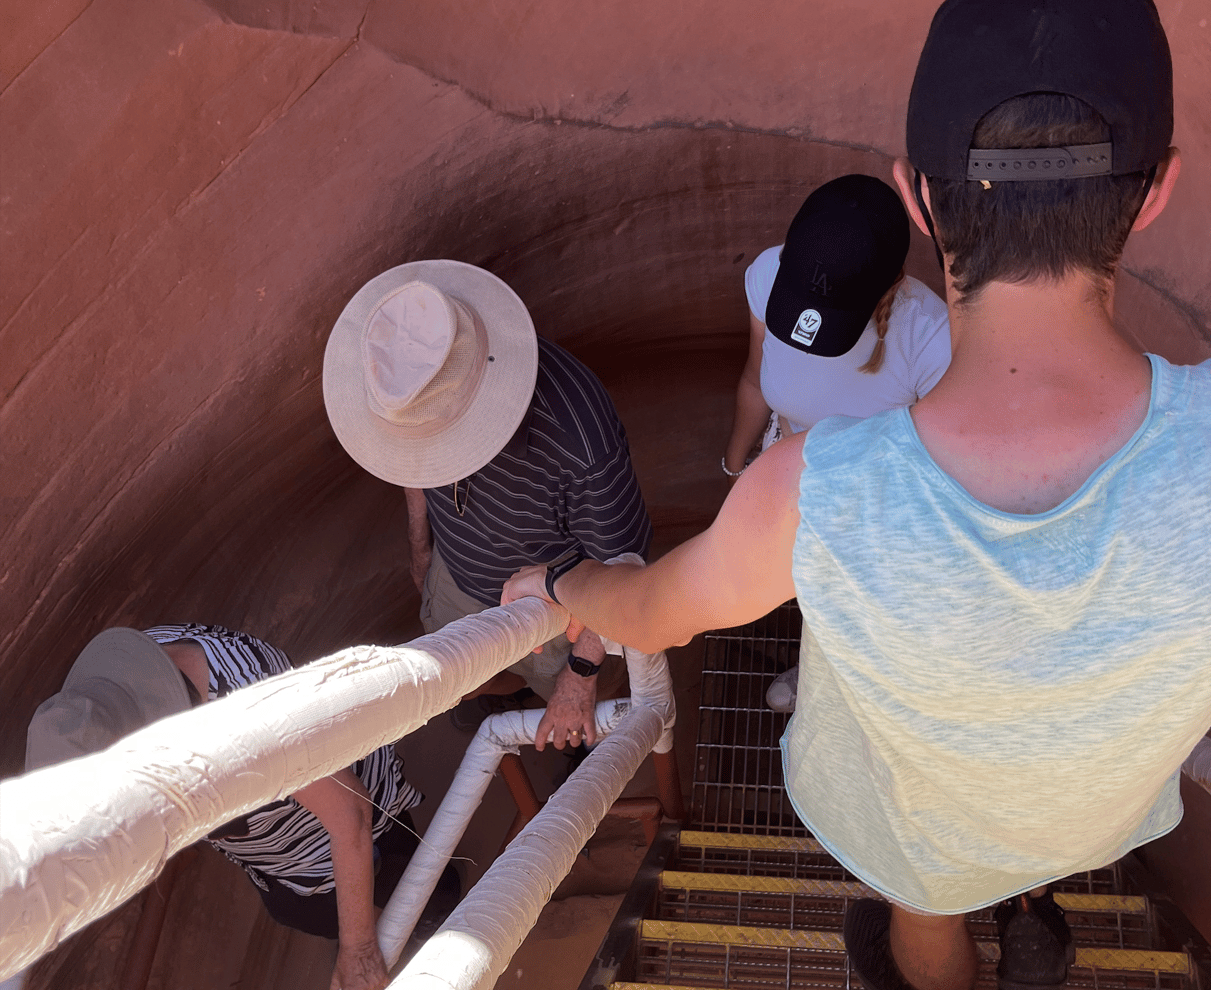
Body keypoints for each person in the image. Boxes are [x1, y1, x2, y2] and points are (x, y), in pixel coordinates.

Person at [501, 2, 1211, 988]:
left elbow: (653, 611)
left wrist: (563, 586)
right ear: (1158, 188)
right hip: (1092, 810)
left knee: (924, 905)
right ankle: (1035, 902)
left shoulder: (815, 494)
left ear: (918, 200)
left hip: (917, 824)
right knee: (1021, 835)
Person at [322, 260, 651, 753]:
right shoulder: (412, 364)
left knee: (572, 712)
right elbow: (411, 450)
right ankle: (506, 695)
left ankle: (572, 739)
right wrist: (421, 544)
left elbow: (620, 567)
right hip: (456, 575)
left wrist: (580, 676)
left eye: (444, 437)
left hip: (559, 613)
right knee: (460, 680)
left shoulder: (579, 441)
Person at [26, 624, 453, 990]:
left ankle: (437, 905)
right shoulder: (129, 680)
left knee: (396, 888)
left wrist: (358, 948)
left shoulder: (249, 723)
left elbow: (351, 814)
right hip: (278, 849)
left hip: (345, 826)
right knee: (296, 908)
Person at [721, 173, 951, 711]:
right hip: (792, 468)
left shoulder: (930, 340)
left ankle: (835, 675)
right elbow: (757, 382)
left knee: (852, 604)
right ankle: (819, 656)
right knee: (809, 593)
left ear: (891, 281)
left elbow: (935, 472)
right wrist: (735, 470)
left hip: (872, 502)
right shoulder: (767, 276)